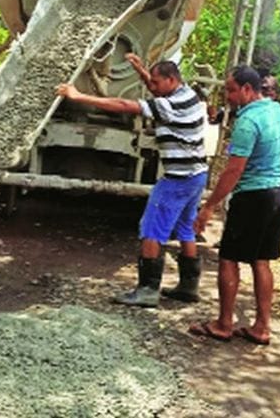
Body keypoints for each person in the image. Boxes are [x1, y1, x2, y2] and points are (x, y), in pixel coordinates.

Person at [56, 54, 207, 307]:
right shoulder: (188, 94)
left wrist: (78, 96)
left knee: (151, 229)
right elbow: (158, 92)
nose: (153, 86)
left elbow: (124, 105)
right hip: (197, 175)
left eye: (156, 82)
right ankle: (188, 286)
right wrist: (141, 72)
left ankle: (147, 290)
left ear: (171, 80)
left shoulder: (168, 106)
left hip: (177, 179)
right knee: (185, 228)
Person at [188, 65, 280, 345]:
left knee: (229, 257)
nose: (228, 96)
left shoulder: (247, 122)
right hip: (277, 192)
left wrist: (209, 206)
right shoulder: (275, 110)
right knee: (261, 260)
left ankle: (223, 323)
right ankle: (262, 327)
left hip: (253, 196)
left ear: (247, 89)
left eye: (231, 90)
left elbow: (233, 171)